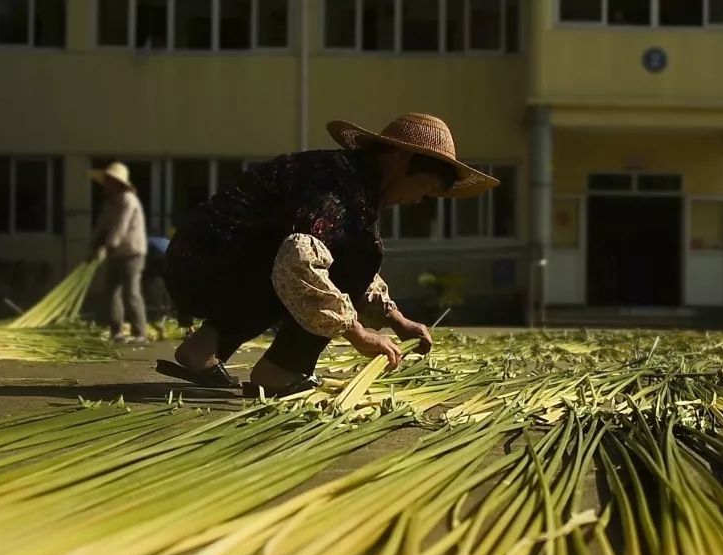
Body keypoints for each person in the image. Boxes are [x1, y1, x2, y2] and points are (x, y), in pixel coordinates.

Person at [155, 113, 498, 397]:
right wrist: (357, 332)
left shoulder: (353, 182)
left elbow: (333, 260)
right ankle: (280, 372)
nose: (416, 200)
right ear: (401, 158)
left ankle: (200, 350)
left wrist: (395, 319)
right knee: (336, 263)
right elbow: (303, 262)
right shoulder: (336, 185)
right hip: (209, 266)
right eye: (422, 188)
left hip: (203, 264)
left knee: (345, 256)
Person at [89, 161, 149, 343]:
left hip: (131, 254)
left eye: (109, 180)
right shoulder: (110, 204)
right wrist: (93, 246)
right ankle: (117, 332)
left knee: (131, 293)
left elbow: (120, 228)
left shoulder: (128, 201)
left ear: (118, 182)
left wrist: (108, 246)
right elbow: (102, 226)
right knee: (111, 293)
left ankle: (140, 333)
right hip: (115, 254)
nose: (105, 184)